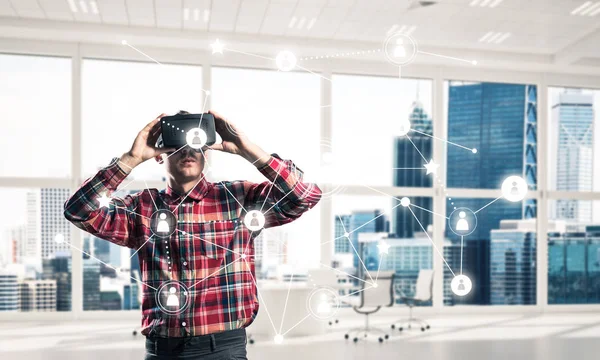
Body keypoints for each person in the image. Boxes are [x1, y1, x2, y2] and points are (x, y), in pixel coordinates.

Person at [64, 110, 322, 359]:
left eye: (196, 143)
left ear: (206, 152)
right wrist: (130, 159)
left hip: (223, 349)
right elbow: (78, 211)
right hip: (162, 349)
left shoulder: (238, 199)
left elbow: (304, 196)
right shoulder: (140, 208)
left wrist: (248, 150)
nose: (187, 151)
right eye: (176, 145)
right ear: (159, 155)